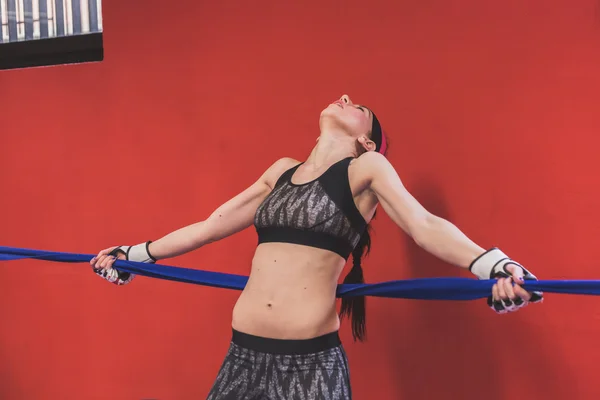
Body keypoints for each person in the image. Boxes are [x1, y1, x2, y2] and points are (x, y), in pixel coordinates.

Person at [90, 94, 543, 400]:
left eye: (358, 106)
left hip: (308, 367)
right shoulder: (281, 171)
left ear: (367, 140)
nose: (344, 97)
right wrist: (134, 255)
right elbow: (210, 226)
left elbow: (423, 224)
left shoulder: (367, 168)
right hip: (242, 356)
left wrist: (495, 265)